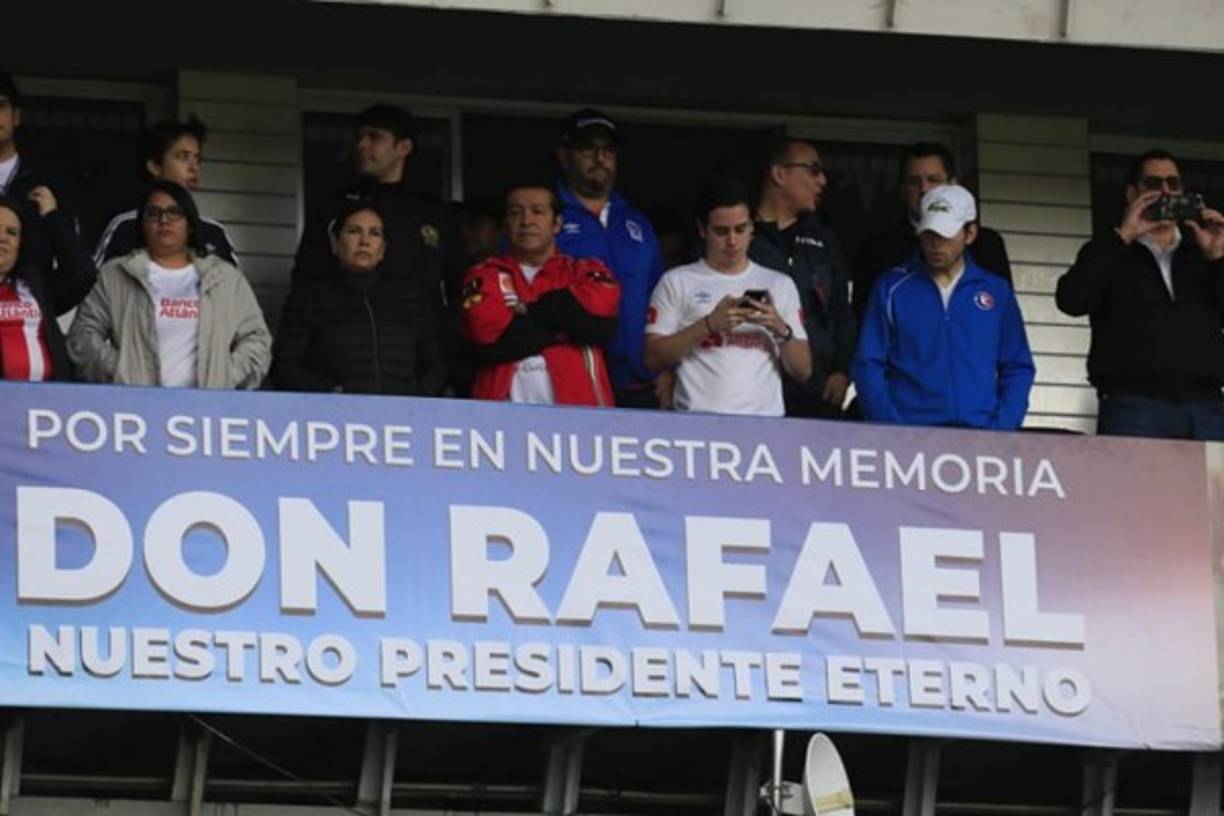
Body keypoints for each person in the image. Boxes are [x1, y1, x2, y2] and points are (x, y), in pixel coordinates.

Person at [1055, 150, 1224, 439]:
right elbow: (1072, 300)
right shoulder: (1110, 250)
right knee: (1135, 485)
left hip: (1205, 403)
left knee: (1212, 486)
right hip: (1133, 403)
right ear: (1132, 193)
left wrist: (1218, 258)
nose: (1165, 192)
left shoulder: (1200, 253)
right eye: (1154, 184)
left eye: (1173, 184)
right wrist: (1124, 235)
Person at [853, 184, 1034, 429]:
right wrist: (892, 430)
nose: (935, 243)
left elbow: (1017, 366)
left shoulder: (996, 292)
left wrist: (1001, 430)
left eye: (945, 234)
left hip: (981, 435)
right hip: (911, 435)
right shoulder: (891, 287)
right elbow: (868, 364)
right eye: (928, 233)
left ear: (970, 234)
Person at [68, 181, 270, 388]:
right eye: (153, 214)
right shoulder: (115, 275)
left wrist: (225, 375)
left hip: (209, 411)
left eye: (174, 213)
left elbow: (257, 338)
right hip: (135, 407)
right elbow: (83, 335)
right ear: (142, 225)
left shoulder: (225, 278)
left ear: (190, 224)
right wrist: (120, 370)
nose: (164, 220)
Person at [644, 183, 811, 416]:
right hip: (698, 426)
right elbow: (652, 357)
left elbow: (803, 371)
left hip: (766, 429)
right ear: (702, 229)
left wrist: (779, 327)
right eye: (721, 231)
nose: (732, 241)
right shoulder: (677, 281)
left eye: (741, 229)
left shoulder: (779, 284)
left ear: (753, 226)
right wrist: (710, 325)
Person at [460, 181, 619, 405]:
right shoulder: (485, 274)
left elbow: (602, 323)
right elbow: (487, 335)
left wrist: (526, 315)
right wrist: (566, 328)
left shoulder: (586, 271)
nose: (526, 221)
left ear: (556, 224)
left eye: (537, 212)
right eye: (516, 213)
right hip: (499, 422)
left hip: (581, 419)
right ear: (506, 225)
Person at [272, 201, 446, 395]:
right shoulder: (310, 298)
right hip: (336, 419)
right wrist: (331, 393)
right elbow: (285, 366)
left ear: (383, 249)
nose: (364, 241)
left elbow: (437, 365)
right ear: (335, 243)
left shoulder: (411, 298)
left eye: (374, 233)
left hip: (404, 418)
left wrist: (415, 397)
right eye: (354, 231)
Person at [554, 108, 664, 408]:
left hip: (639, 380)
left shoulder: (637, 222)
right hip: (573, 380)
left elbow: (663, 299)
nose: (600, 158)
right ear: (565, 157)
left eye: (607, 150)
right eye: (588, 149)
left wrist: (667, 368)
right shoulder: (546, 217)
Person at [751, 138, 855, 418]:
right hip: (753, 391)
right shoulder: (738, 236)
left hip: (818, 390)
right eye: (812, 170)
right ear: (779, 174)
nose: (821, 180)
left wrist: (842, 370)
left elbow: (841, 311)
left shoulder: (825, 240)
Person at [853, 142, 1011, 326]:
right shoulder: (877, 249)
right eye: (914, 182)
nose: (924, 190)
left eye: (934, 180)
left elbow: (1005, 320)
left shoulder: (987, 245)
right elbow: (865, 324)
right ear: (903, 189)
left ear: (953, 185)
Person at [93, 117, 238, 268]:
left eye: (197, 159)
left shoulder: (214, 233)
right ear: (155, 166)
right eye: (183, 157)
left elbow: (236, 289)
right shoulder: (125, 228)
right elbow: (97, 287)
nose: (194, 167)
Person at [0, 190, 95, 380]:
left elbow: (82, 273)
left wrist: (51, 218)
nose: (3, 238)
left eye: (12, 233)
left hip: (46, 401)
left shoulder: (35, 285)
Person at [0, 70, 80, 275]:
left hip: (32, 301)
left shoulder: (49, 185)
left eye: (0, 106)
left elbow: (77, 269)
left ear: (16, 116)